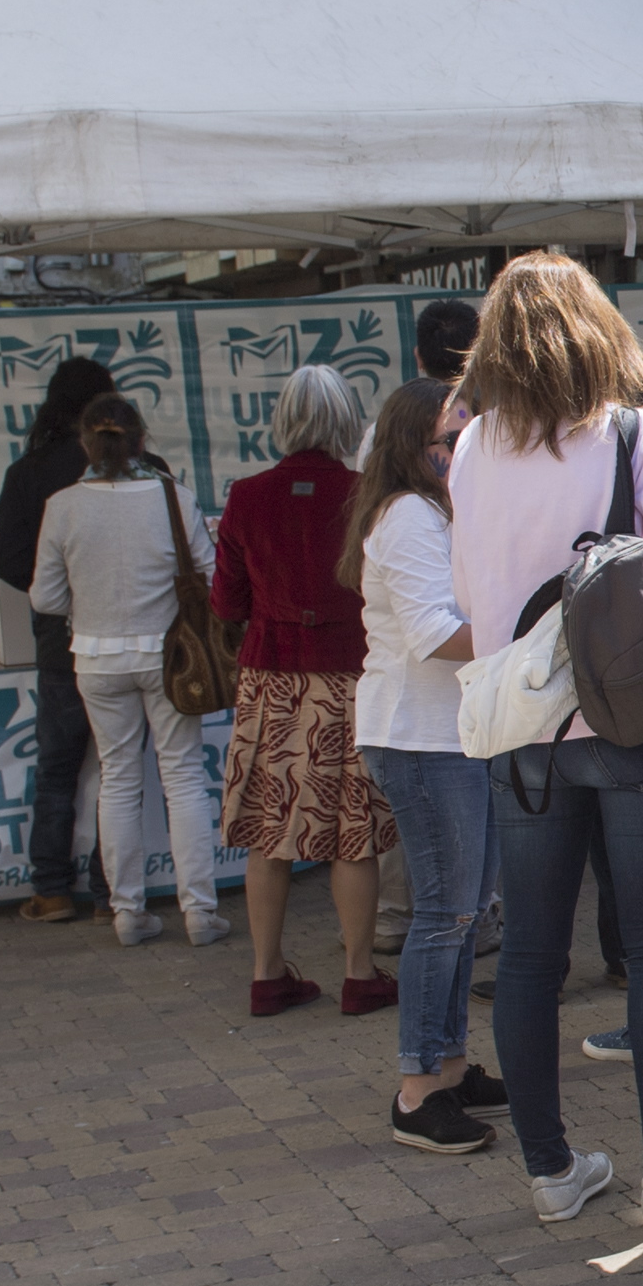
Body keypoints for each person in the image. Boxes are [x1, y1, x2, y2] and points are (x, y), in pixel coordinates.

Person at [450, 254, 643, 1230]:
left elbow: (470, 589)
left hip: (520, 726)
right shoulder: (634, 435)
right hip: (629, 717)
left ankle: (552, 1171)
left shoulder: (473, 446)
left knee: (528, 953)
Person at [345, 379, 502, 1153]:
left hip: (451, 735)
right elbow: (438, 632)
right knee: (445, 915)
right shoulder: (407, 515)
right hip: (419, 736)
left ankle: (448, 1066)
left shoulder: (437, 508)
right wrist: (531, 628)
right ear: (413, 448)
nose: (462, 454)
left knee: (463, 913)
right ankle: (416, 1091)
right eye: (450, 443)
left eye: (469, 439)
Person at [210, 365, 394, 1020]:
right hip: (350, 674)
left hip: (272, 677)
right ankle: (359, 972)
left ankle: (267, 975)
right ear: (346, 421)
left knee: (270, 829)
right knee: (353, 830)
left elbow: (226, 600)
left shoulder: (247, 496)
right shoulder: (368, 495)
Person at [33, 392, 223, 947]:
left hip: (94, 656)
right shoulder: (172, 497)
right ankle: (200, 912)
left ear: (86, 444)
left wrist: (87, 605)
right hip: (168, 655)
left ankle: (125, 911)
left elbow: (45, 597)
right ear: (142, 440)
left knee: (116, 778)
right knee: (183, 776)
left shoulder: (63, 505)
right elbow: (209, 574)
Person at [0, 357, 120, 923]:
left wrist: (57, 591)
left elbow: (10, 560)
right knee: (120, 773)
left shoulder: (31, 472)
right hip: (131, 637)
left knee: (58, 769)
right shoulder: (144, 474)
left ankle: (52, 887)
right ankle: (111, 887)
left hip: (60, 642)